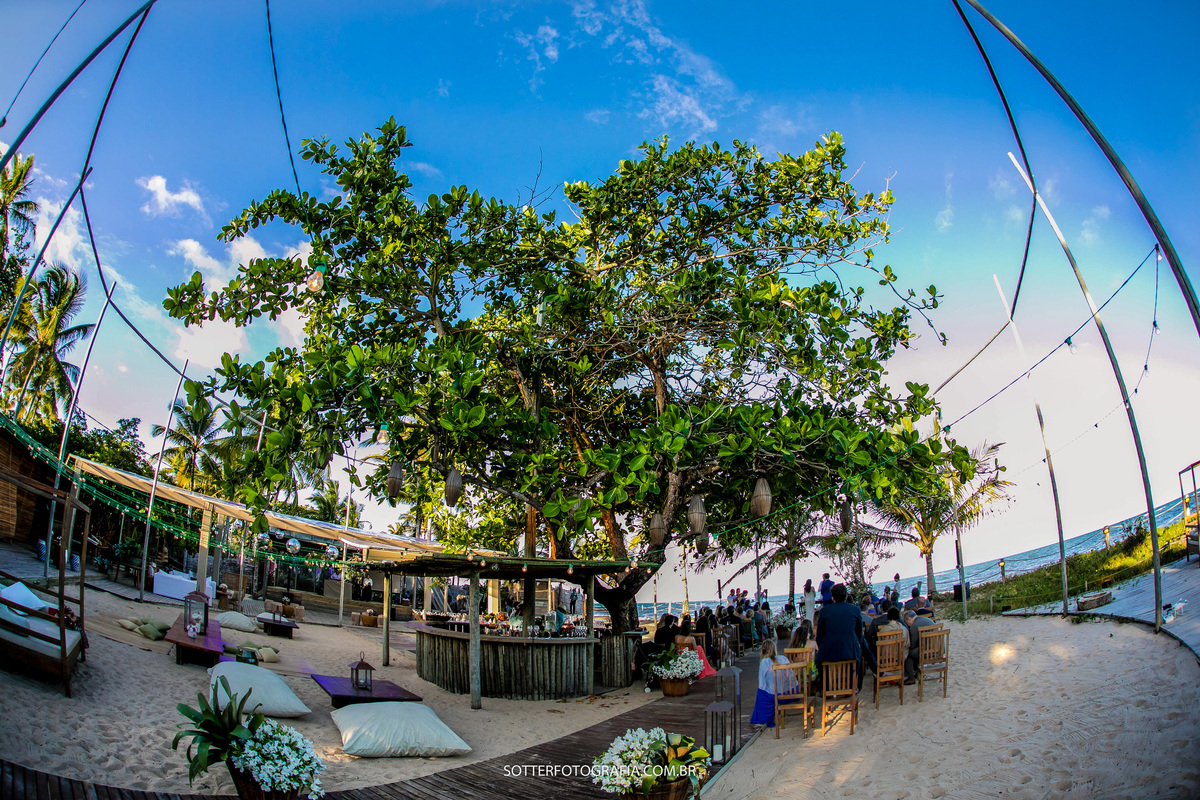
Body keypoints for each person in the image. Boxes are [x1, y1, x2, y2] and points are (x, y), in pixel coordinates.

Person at [814, 583, 862, 669]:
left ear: (832, 597)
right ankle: (854, 682)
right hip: (850, 653)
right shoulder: (855, 610)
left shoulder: (824, 611)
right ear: (846, 596)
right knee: (857, 665)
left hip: (829, 655)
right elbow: (859, 634)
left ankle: (827, 682)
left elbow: (819, 636)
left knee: (821, 667)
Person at [749, 639, 794, 727]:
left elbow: (762, 684)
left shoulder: (765, 662)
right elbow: (791, 677)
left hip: (777, 695)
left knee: (761, 694)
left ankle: (761, 718)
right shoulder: (783, 658)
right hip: (791, 692)